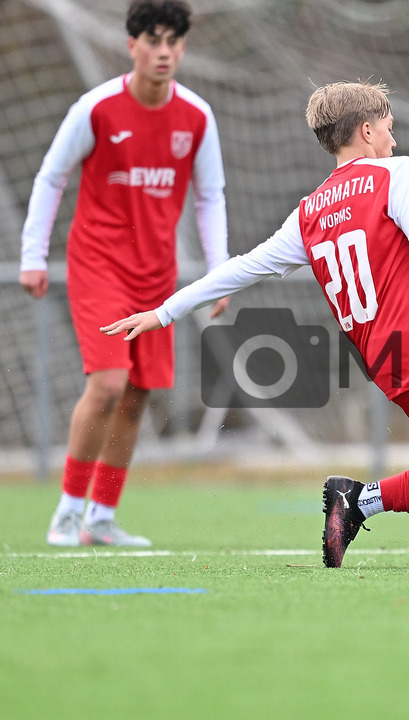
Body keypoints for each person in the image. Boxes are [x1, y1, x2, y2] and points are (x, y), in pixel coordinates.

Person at [99, 80, 409, 565]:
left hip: (393, 360)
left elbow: (241, 267)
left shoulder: (309, 212)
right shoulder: (395, 173)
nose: (393, 140)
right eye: (388, 128)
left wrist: (164, 311)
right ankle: (367, 504)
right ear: (365, 129)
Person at [20, 0, 231, 548]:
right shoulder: (96, 109)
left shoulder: (197, 117)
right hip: (98, 267)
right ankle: (66, 513)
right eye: (153, 40)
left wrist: (219, 273)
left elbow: (210, 198)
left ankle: (101, 519)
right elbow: (50, 177)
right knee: (108, 383)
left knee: (137, 392)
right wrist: (32, 255)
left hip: (157, 275)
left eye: (173, 42)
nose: (163, 52)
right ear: (131, 44)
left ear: (183, 47)